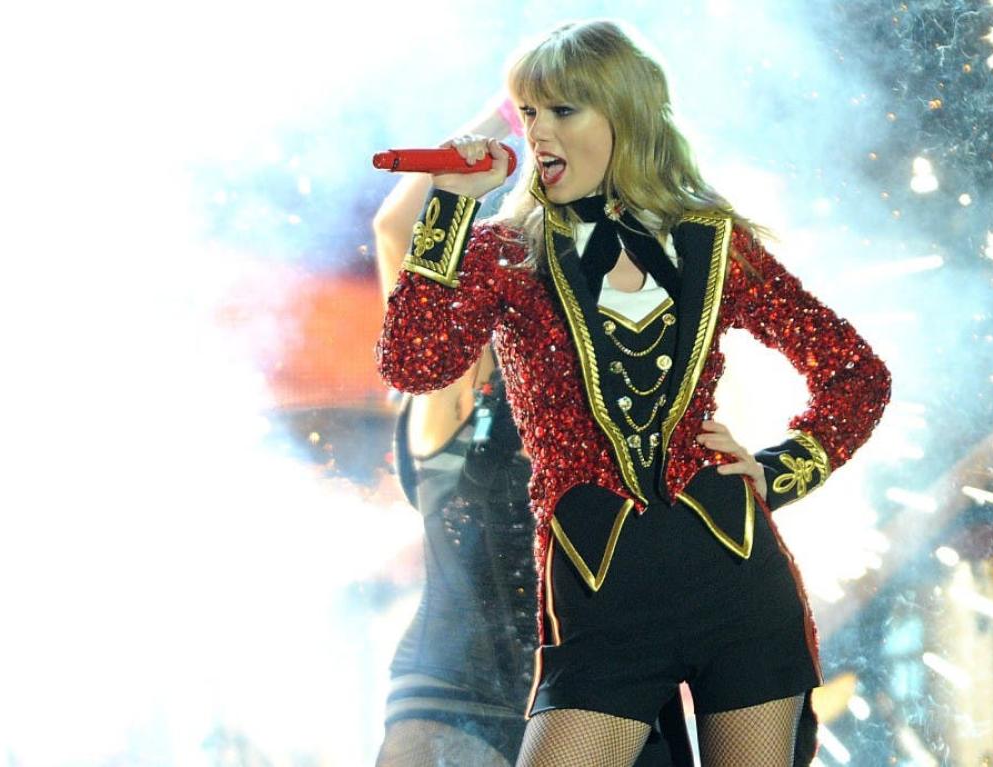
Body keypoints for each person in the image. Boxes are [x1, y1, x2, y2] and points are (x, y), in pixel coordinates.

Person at [377, 20, 890, 766]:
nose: (537, 132)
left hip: (738, 585)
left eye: (562, 110)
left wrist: (781, 470)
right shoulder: (504, 253)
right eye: (530, 111)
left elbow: (857, 376)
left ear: (623, 114)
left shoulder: (714, 241)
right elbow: (413, 364)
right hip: (600, 607)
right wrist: (450, 205)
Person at [373, 98, 722, 767]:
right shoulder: (458, 375)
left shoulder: (638, 395)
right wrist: (513, 108)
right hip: (462, 698)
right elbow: (396, 229)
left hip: (601, 692)